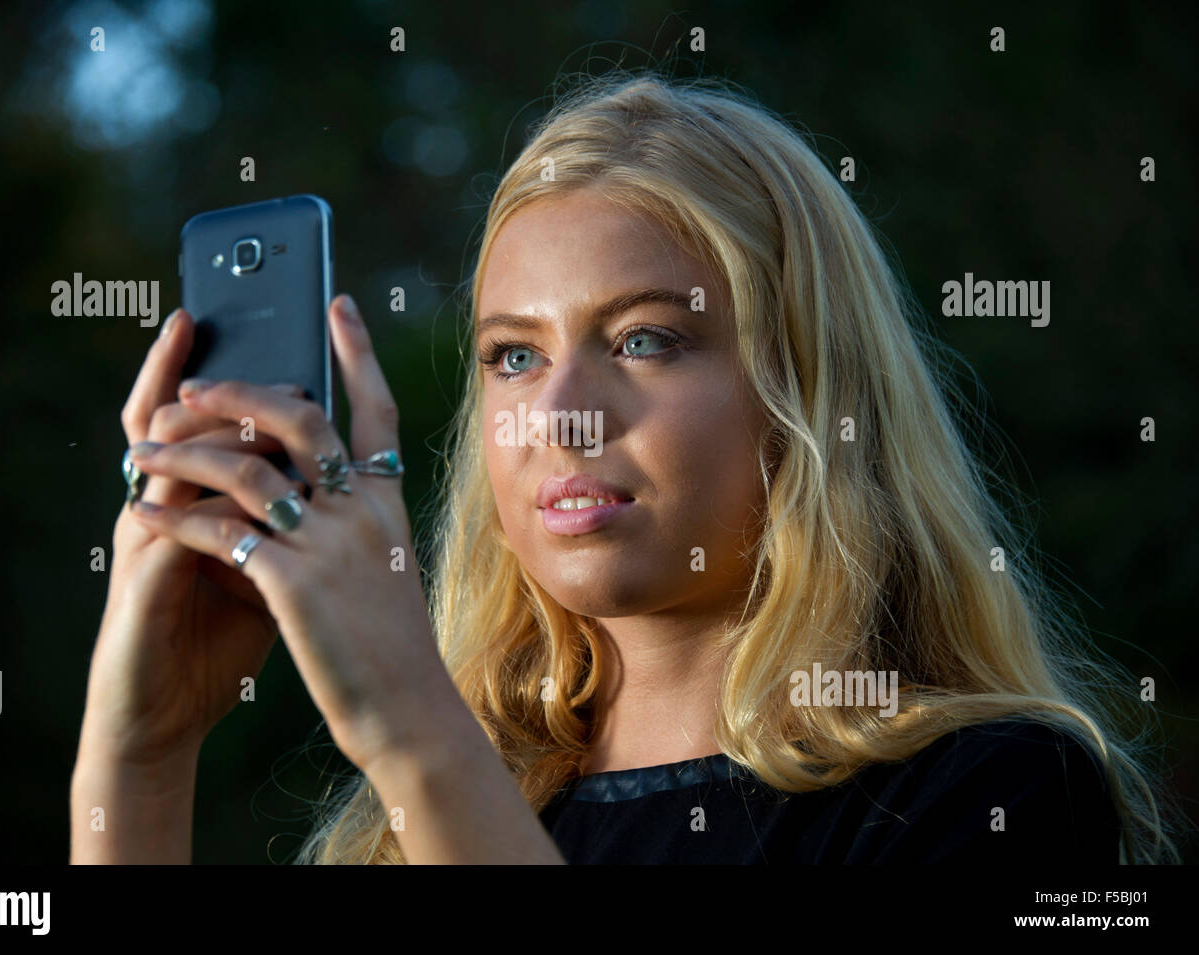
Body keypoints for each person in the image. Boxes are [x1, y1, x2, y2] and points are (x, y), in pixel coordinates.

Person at [70, 69, 1179, 865]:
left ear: (810, 389)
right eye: (514, 355)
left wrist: (414, 728)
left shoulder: (995, 790)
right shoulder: (400, 825)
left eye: (645, 339)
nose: (557, 414)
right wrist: (142, 760)